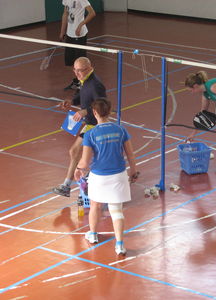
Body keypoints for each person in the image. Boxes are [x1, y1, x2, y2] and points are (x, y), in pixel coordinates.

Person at [74, 98, 138, 255]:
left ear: (95, 113)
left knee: (95, 205)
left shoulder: (90, 134)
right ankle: (120, 244)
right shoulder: (121, 130)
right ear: (109, 112)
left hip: (99, 177)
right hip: (119, 175)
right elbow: (130, 154)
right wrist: (134, 171)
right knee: (116, 210)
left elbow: (85, 160)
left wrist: (78, 169)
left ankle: (93, 235)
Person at [53, 57, 106, 197]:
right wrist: (71, 101)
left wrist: (85, 111)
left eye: (79, 70)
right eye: (74, 70)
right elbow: (82, 95)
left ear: (89, 68)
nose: (76, 73)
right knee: (75, 152)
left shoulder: (96, 84)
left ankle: (73, 183)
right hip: (88, 123)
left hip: (95, 125)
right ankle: (73, 183)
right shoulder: (84, 80)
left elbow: (102, 104)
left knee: (75, 151)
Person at [59, 0, 96, 90]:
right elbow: (65, 14)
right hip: (69, 34)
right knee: (70, 62)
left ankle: (84, 85)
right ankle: (77, 82)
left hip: (79, 35)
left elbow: (92, 13)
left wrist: (80, 25)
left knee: (81, 63)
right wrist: (62, 31)